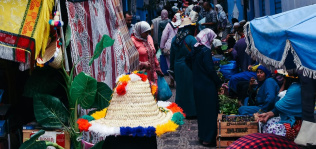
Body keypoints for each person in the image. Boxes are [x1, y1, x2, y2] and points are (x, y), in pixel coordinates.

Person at [185, 28, 221, 147]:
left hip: (197, 85)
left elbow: (187, 60)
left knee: (201, 111)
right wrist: (218, 82)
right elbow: (210, 69)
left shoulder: (196, 49)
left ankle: (202, 136)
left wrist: (196, 71)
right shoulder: (205, 51)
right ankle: (209, 138)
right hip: (207, 86)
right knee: (210, 112)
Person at [258, 75, 302, 141]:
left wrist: (283, 86)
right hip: (287, 117)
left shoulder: (296, 88)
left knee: (271, 129)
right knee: (264, 123)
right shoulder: (294, 86)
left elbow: (277, 104)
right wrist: (269, 113)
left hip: (295, 123)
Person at [169, 17, 197, 118]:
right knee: (190, 89)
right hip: (188, 67)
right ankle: (191, 112)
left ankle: (180, 111)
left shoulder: (174, 39)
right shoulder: (190, 39)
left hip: (178, 67)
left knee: (180, 89)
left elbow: (172, 55)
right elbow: (196, 53)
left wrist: (172, 68)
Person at [160, 13, 181, 88]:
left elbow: (164, 36)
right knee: (178, 64)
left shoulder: (169, 25)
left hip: (169, 47)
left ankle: (172, 82)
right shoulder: (182, 25)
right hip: (179, 46)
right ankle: (179, 81)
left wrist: (162, 46)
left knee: (170, 65)